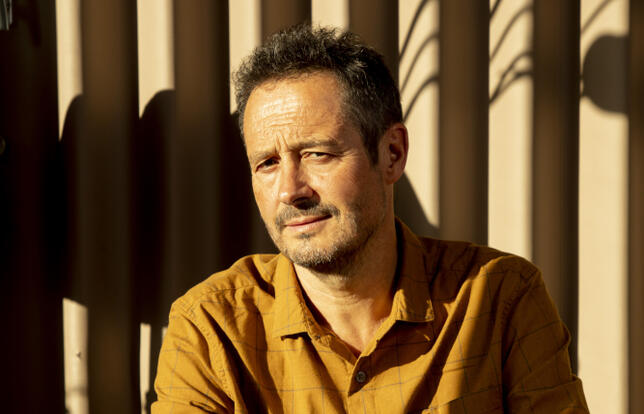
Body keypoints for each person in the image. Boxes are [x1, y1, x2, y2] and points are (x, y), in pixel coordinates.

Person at [152, 24, 588, 413]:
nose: (289, 190)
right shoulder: (211, 328)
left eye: (317, 154)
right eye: (266, 163)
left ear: (392, 154)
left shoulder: (499, 299)